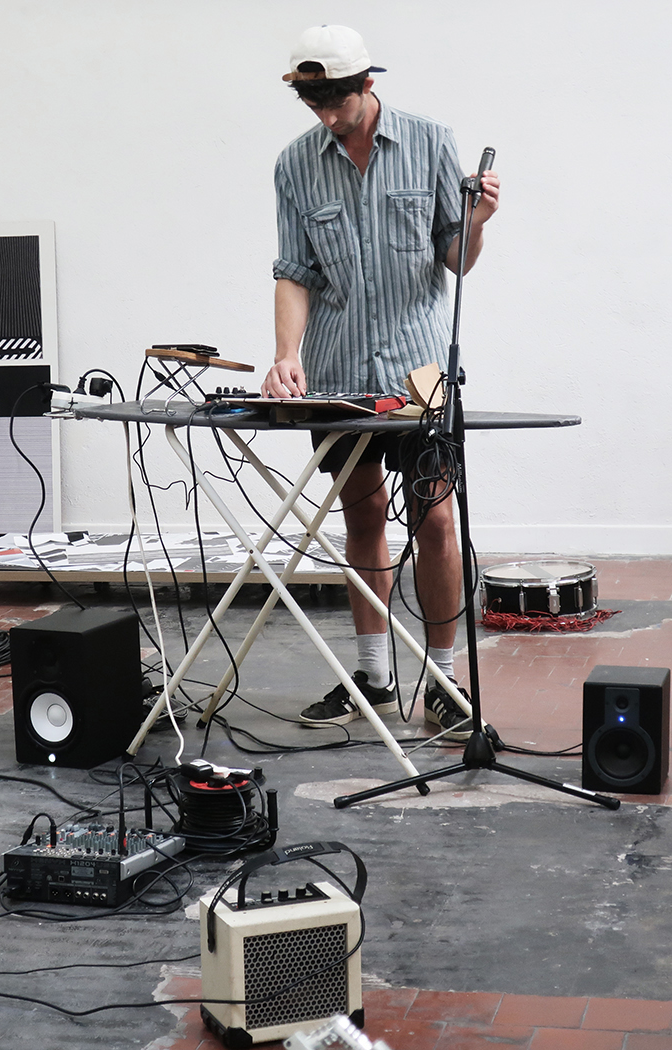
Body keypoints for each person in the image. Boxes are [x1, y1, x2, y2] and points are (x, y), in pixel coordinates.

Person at [261, 25, 500, 740]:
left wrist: (477, 221)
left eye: (336, 101)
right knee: (361, 520)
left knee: (436, 520)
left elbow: (455, 259)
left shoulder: (430, 142)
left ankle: (443, 680)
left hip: (420, 372)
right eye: (313, 104)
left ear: (367, 84)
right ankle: (373, 676)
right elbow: (294, 271)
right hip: (339, 373)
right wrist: (285, 353)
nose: (327, 116)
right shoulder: (294, 164)